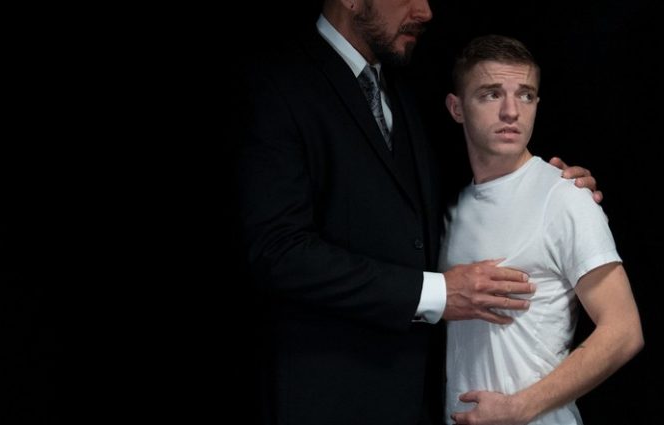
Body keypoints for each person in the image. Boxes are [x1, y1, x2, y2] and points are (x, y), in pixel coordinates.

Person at [236, 1, 603, 423]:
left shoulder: (405, 87)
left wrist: (550, 188)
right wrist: (437, 293)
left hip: (424, 404)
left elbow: (454, 190)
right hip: (327, 400)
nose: (425, 11)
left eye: (525, 96)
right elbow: (277, 250)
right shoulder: (276, 83)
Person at [440, 35, 644, 425]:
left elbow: (624, 330)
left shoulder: (565, 196)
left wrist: (520, 407)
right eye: (491, 94)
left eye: (526, 95)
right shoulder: (450, 209)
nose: (511, 111)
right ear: (457, 108)